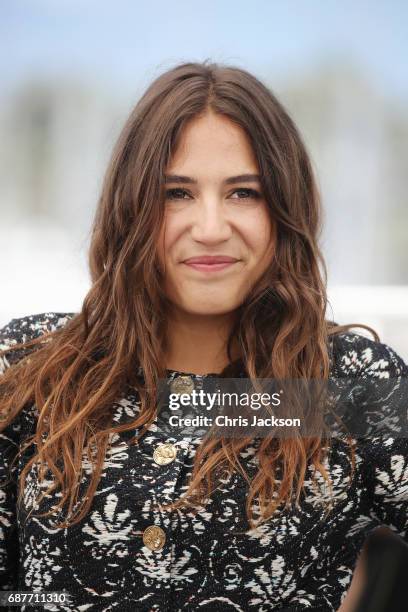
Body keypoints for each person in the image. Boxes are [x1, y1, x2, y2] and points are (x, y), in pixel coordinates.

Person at [0, 61, 407, 612]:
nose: (211, 227)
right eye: (176, 194)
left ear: (286, 209)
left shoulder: (343, 386)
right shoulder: (34, 367)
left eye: (244, 193)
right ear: (130, 206)